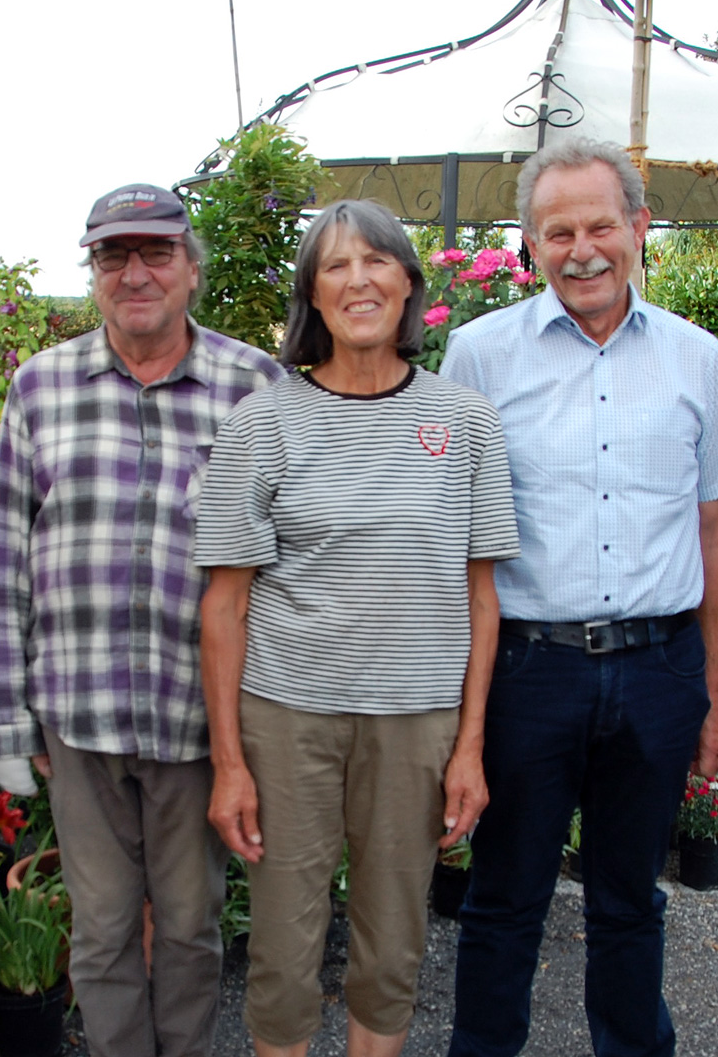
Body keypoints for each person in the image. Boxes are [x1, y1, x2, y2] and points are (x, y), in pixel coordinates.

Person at [439, 137, 718, 1057]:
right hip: (529, 674)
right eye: (558, 231)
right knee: (505, 898)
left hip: (658, 671)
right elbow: (452, 539)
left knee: (631, 900)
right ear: (532, 244)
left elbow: (717, 532)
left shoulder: (698, 360)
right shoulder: (480, 357)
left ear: (639, 229)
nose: (582, 249)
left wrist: (714, 689)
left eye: (600, 225)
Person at [195, 199, 520, 1057]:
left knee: (392, 943)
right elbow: (224, 605)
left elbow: (482, 597)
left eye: (376, 261)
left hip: (416, 721)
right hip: (289, 714)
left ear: (409, 283)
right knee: (283, 951)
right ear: (312, 292)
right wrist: (229, 763)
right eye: (335, 265)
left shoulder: (465, 421)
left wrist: (469, 747)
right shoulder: (264, 422)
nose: (358, 280)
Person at [0, 184, 283, 1057]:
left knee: (190, 929)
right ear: (94, 274)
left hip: (200, 721)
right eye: (114, 256)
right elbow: (7, 562)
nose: (136, 272)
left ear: (192, 268)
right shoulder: (40, 387)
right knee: (103, 931)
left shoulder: (251, 386)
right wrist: (8, 717)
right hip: (79, 719)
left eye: (156, 252)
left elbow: (288, 559)